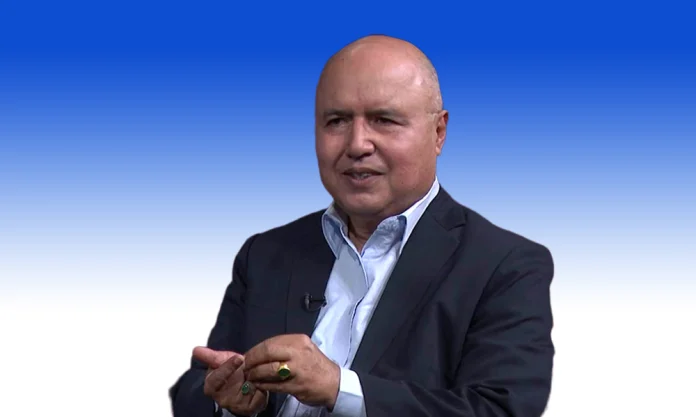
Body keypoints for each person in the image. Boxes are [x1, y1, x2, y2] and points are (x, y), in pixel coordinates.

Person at [169, 34, 555, 417]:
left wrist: (340, 389)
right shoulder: (266, 254)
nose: (357, 145)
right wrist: (229, 402)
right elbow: (196, 388)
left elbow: (501, 409)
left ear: (438, 133)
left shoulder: (505, 266)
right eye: (336, 121)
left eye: (383, 120)